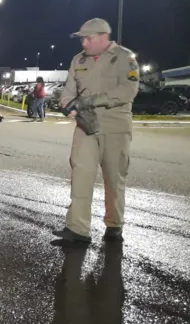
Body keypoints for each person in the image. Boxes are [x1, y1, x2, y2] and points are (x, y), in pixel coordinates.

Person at [53, 18, 139, 244]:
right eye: (81, 38)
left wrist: (91, 101)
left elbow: (129, 90)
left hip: (115, 127)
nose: (83, 43)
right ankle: (78, 230)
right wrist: (67, 105)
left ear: (103, 36)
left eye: (87, 38)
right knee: (80, 174)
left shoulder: (124, 58)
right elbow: (69, 90)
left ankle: (114, 225)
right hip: (85, 125)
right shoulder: (77, 60)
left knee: (114, 177)